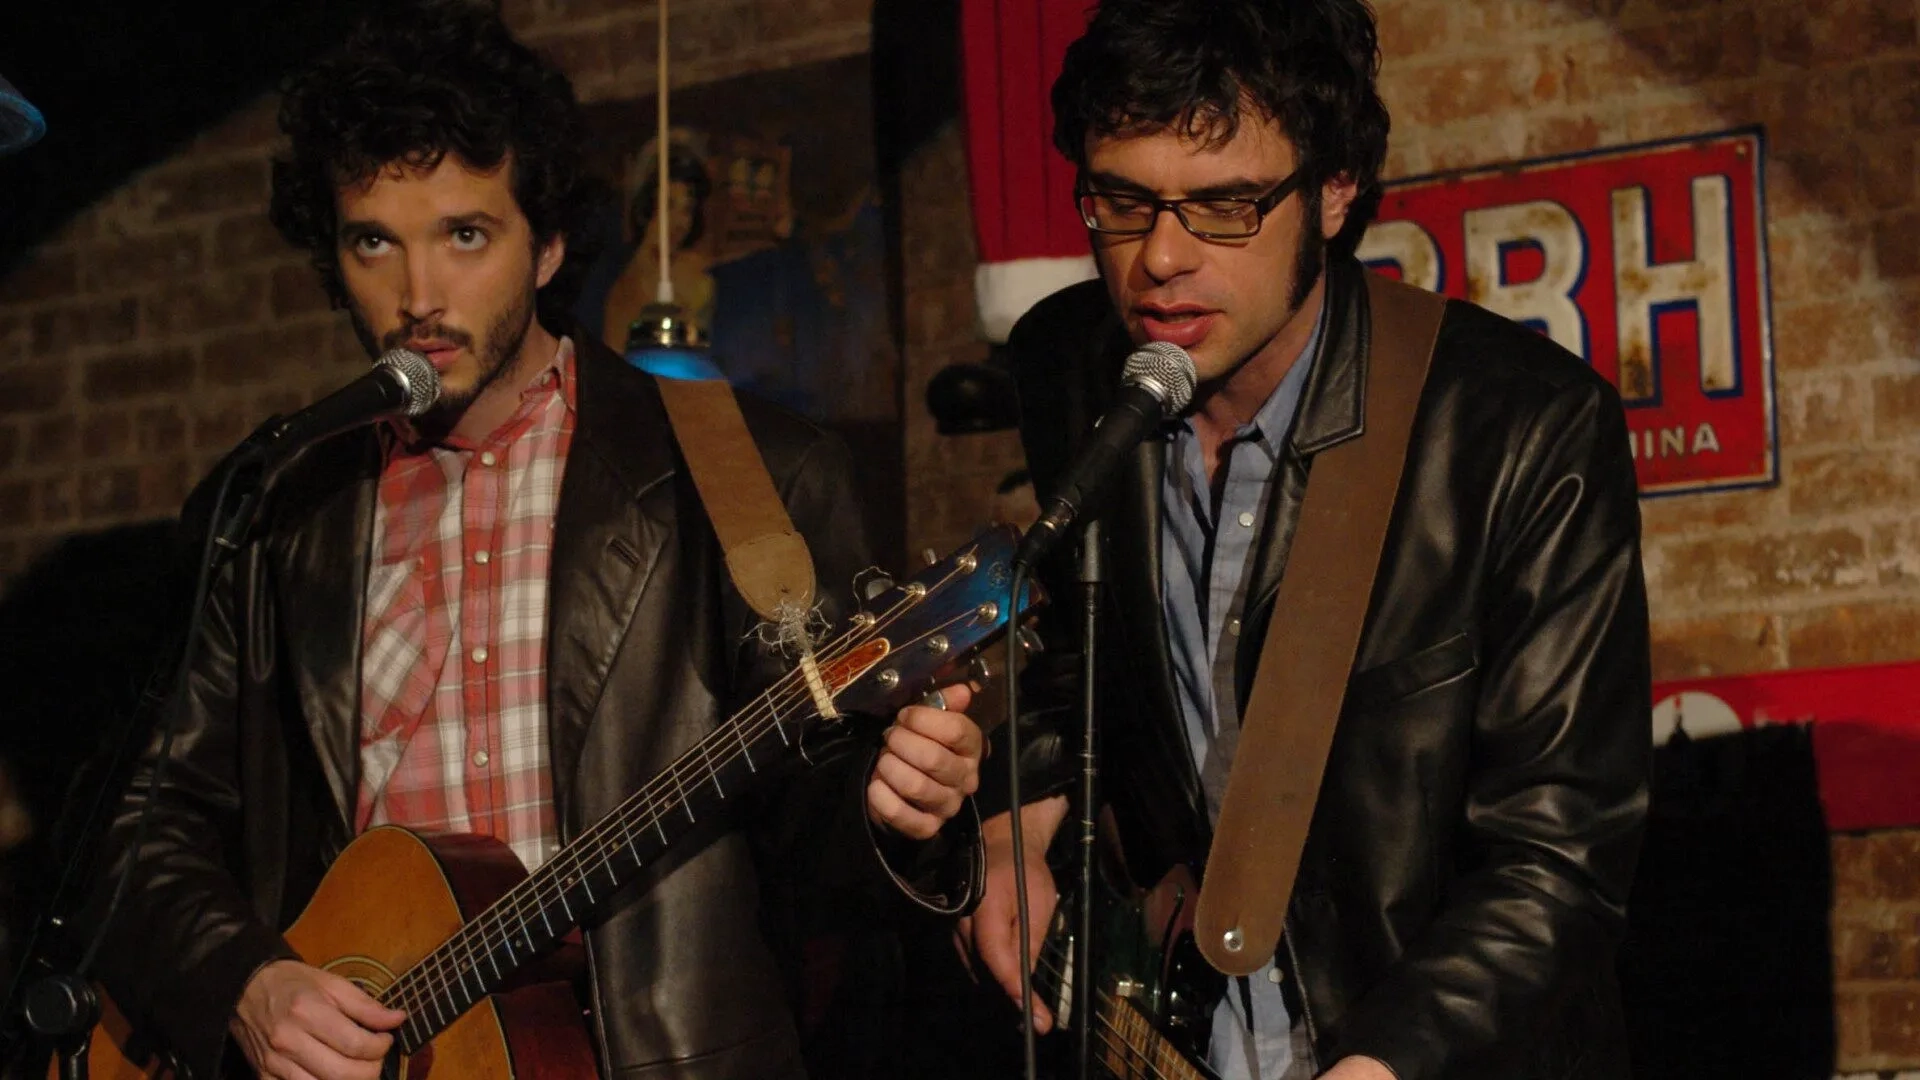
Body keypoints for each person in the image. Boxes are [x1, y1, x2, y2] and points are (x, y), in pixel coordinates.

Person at [79, 6, 986, 1080]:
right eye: (375, 241)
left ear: (548, 243)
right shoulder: (284, 512)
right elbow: (140, 828)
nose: (418, 297)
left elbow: (822, 862)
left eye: (466, 235)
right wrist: (245, 983)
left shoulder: (751, 474)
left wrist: (909, 810)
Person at [962, 1, 1651, 1078]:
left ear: (1333, 192)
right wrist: (1013, 833)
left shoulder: (1521, 430)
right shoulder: (1071, 362)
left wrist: (1380, 1065)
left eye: (1226, 207)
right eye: (1123, 201)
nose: (1162, 259)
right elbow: (1082, 655)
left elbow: (1557, 861)